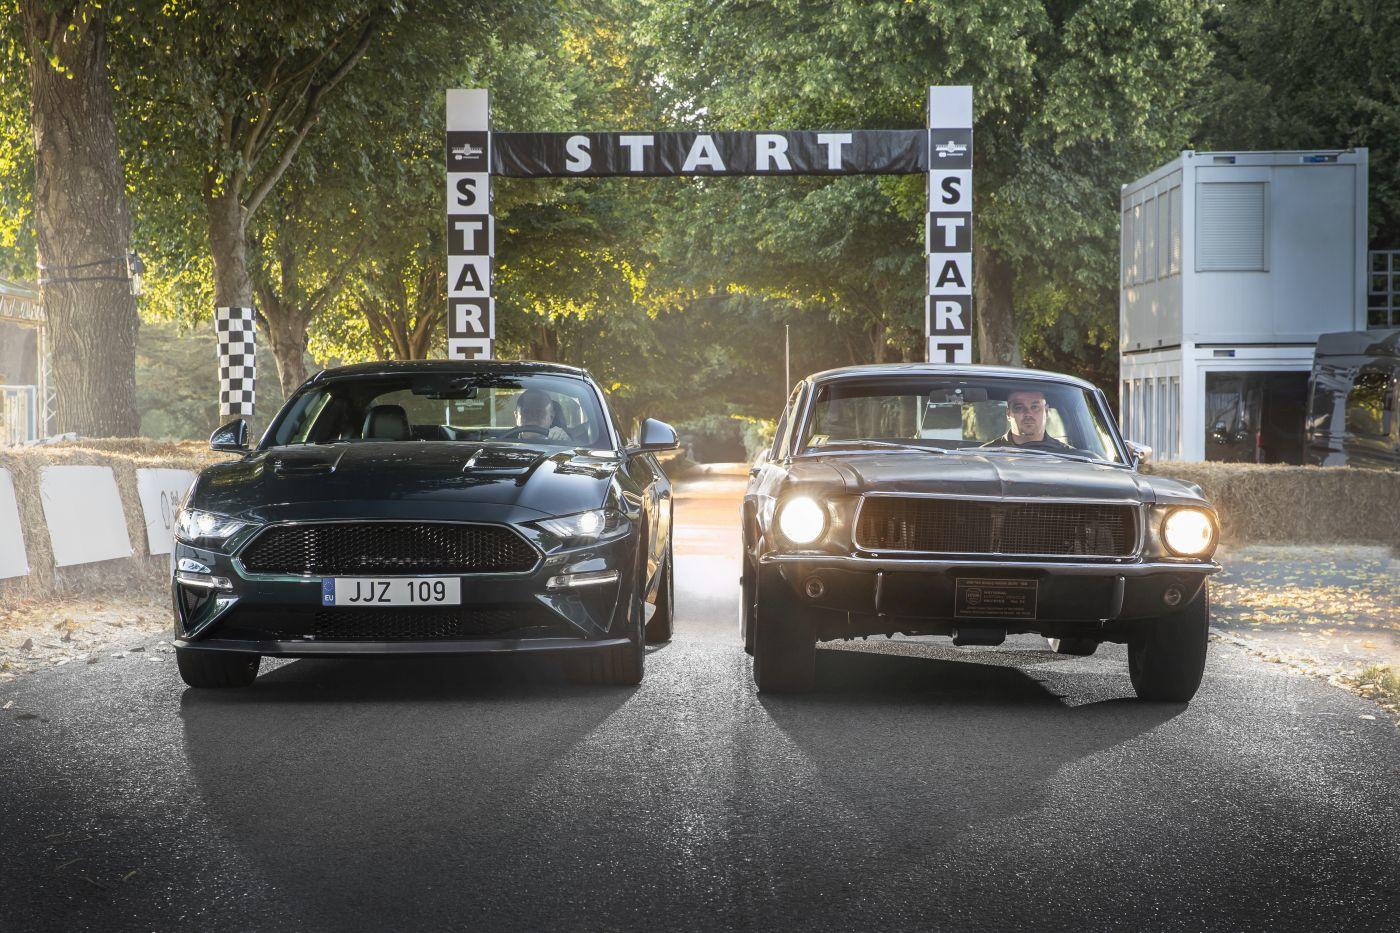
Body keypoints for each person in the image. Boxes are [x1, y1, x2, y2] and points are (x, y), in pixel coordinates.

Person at [981, 388, 1074, 450]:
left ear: (1046, 411)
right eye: (1019, 407)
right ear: (1008, 414)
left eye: (1034, 407)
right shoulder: (987, 454)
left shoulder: (1068, 456)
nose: (1028, 414)